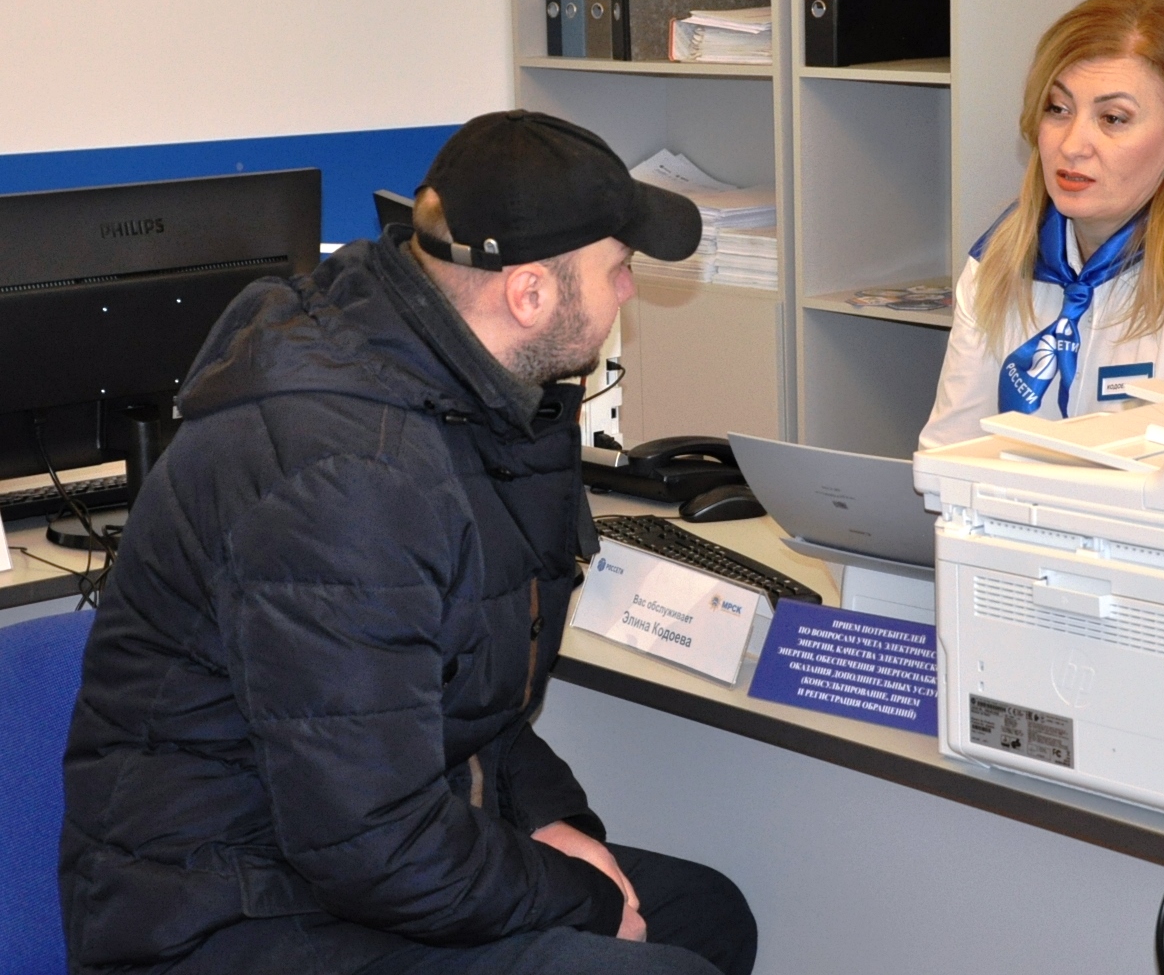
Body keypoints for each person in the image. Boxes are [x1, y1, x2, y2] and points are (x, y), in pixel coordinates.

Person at [59, 110, 757, 975]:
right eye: (617, 269)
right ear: (528, 293)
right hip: (224, 911)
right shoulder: (347, 476)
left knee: (705, 917)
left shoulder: (449, 382)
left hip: (336, 854)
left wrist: (549, 819)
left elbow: (457, 696)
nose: (628, 294)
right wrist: (579, 897)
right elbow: (372, 841)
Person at [920, 0, 1164, 449]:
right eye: (1058, 109)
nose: (1072, 145)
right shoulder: (1001, 257)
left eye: (1113, 118)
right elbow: (947, 455)